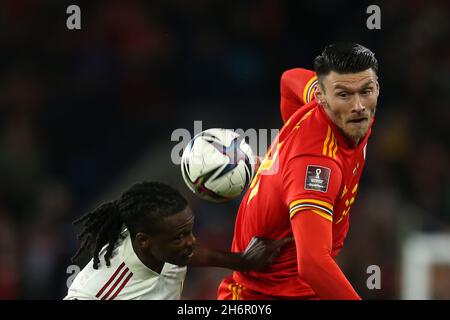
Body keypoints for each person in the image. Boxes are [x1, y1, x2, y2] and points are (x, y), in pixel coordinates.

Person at [217, 43, 380, 300]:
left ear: (377, 88)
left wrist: (288, 150)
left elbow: (289, 79)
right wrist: (297, 159)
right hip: (264, 296)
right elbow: (313, 264)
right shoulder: (316, 163)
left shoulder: (345, 114)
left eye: (366, 91)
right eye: (344, 95)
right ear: (321, 98)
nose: (358, 105)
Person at [64, 181, 290, 300]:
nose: (191, 241)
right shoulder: (98, 290)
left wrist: (241, 261)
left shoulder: (164, 246)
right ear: (144, 241)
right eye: (180, 237)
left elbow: (185, 255)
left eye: (190, 231)